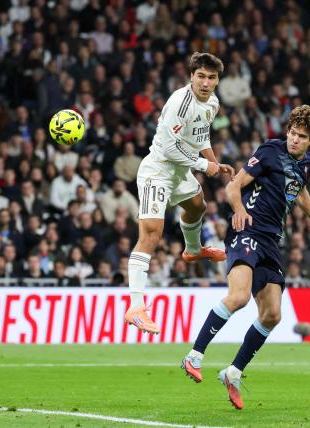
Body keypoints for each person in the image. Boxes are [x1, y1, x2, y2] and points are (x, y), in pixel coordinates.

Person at [182, 105, 310, 409]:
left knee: (272, 315)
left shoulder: (308, 163)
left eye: (301, 136)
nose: (294, 139)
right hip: (247, 231)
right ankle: (194, 355)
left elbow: (300, 191)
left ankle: (233, 372)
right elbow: (233, 186)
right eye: (292, 133)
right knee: (238, 297)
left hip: (271, 241)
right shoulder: (269, 152)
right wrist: (240, 210)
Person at [124, 52, 234, 334]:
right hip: (158, 171)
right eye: (201, 76)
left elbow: (201, 136)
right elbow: (171, 148)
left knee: (198, 206)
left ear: (217, 80)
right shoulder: (179, 103)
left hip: (180, 171)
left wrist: (214, 163)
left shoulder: (212, 103)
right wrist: (202, 164)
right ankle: (136, 307)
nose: (206, 83)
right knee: (151, 235)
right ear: (191, 76)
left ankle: (193, 250)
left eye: (211, 78)